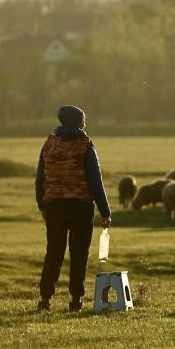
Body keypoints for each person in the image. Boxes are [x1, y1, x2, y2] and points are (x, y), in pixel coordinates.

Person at [35, 105, 111, 312]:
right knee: (79, 254)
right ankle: (76, 300)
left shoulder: (48, 145)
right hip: (80, 206)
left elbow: (40, 179)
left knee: (53, 253)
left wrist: (42, 204)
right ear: (79, 123)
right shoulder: (85, 146)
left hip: (55, 205)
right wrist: (105, 211)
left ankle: (45, 299)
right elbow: (96, 181)